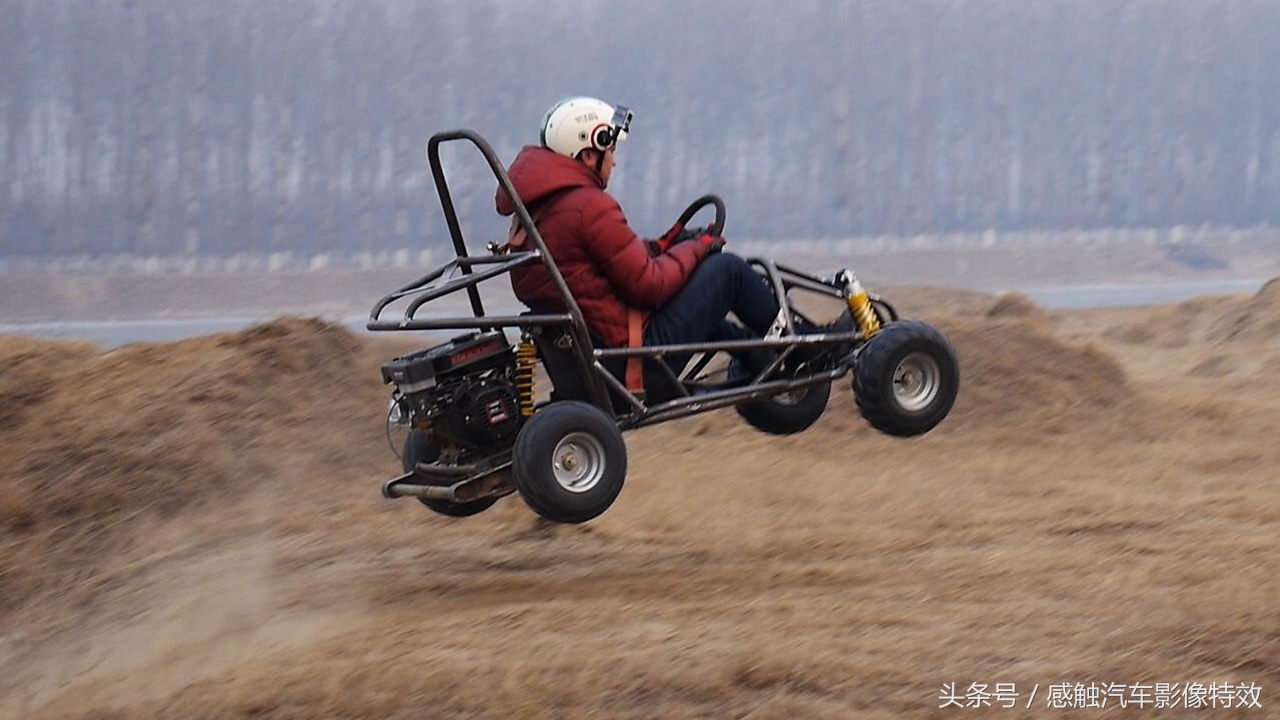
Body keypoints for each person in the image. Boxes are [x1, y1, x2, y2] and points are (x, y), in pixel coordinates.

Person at [494, 97, 824, 395]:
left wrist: (666, 245)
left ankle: (761, 360)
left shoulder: (537, 215)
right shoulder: (588, 206)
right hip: (633, 361)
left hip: (596, 361)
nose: (614, 162)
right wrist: (698, 248)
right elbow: (649, 286)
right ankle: (808, 345)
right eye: (611, 152)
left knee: (706, 307)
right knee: (728, 271)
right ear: (589, 151)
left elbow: (606, 263)